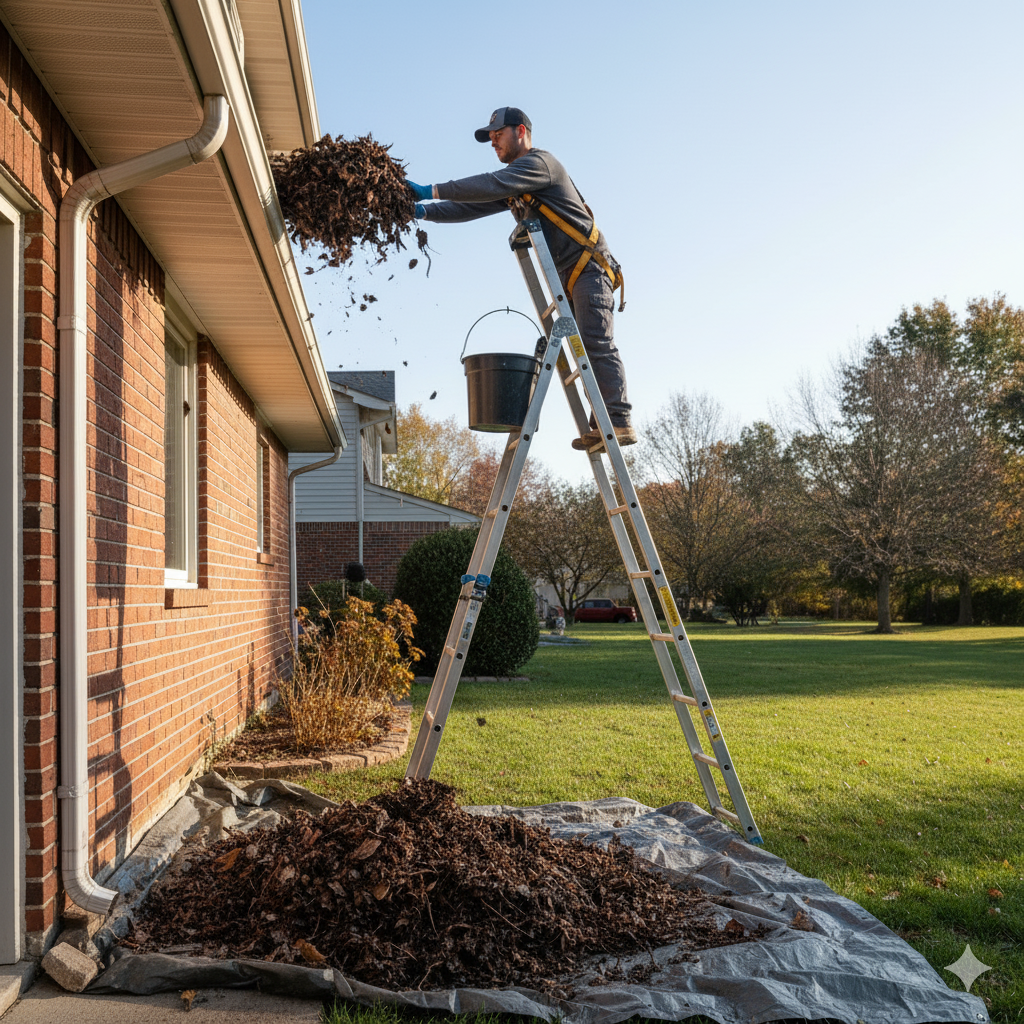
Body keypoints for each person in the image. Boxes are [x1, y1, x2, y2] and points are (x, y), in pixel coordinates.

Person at [407, 106, 635, 449]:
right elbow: (474, 205)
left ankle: (617, 422)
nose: (493, 142)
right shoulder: (517, 181)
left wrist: (431, 189)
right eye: (491, 138)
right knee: (582, 352)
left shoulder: (540, 164)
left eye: (498, 135)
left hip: (589, 269)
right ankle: (602, 424)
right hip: (567, 276)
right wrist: (423, 211)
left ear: (521, 132)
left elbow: (490, 183)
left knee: (595, 344)